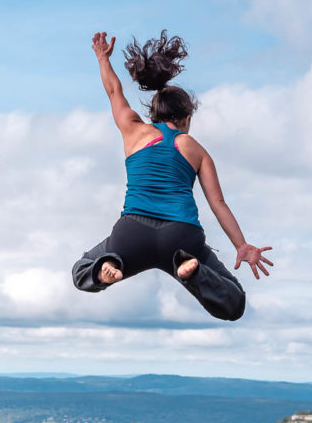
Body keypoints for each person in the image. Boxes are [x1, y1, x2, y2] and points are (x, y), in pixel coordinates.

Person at [72, 31, 272, 320]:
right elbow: (219, 204)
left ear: (153, 113)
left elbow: (114, 91)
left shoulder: (134, 130)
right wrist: (241, 246)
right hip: (182, 238)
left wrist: (103, 58)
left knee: (82, 271)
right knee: (233, 302)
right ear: (187, 118)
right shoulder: (197, 150)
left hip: (132, 233)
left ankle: (107, 268)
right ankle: (193, 273)